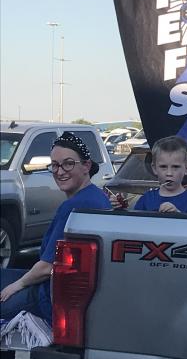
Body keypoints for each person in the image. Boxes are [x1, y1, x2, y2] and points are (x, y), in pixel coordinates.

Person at [0, 132, 111, 323]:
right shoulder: (97, 196)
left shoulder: (76, 205)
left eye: (68, 163)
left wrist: (15, 286)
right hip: (69, 291)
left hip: (49, 297)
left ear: (86, 165)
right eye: (55, 165)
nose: (60, 171)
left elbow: (47, 267)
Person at [133, 136, 187, 214]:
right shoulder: (146, 199)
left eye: (175, 167)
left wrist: (178, 215)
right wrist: (121, 208)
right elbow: (134, 223)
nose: (169, 173)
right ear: (155, 168)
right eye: (163, 167)